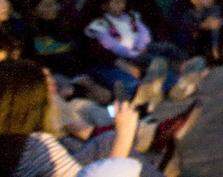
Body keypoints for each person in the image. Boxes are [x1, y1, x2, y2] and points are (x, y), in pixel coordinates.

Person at [0, 59, 144, 177]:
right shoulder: (34, 146)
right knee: (109, 133)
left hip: (95, 122)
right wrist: (124, 136)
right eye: (46, 84)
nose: (51, 87)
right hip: (87, 131)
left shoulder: (16, 147)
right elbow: (86, 132)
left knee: (107, 135)